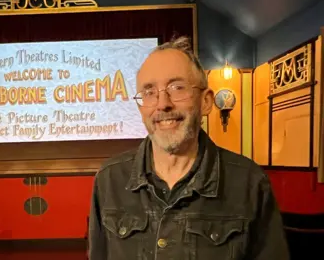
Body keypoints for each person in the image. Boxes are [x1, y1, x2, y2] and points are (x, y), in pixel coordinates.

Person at [88, 36, 290, 260]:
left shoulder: (250, 183)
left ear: (205, 101)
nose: (162, 104)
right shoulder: (109, 180)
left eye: (177, 87)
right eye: (149, 91)